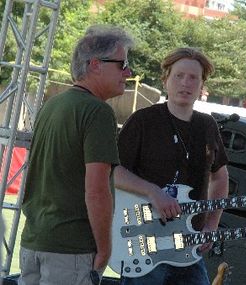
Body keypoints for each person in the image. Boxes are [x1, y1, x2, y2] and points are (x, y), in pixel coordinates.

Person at [18, 24, 172, 285]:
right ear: (95, 65)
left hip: (35, 240)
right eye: (122, 64)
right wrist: (104, 250)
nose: (128, 72)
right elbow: (97, 189)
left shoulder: (53, 105)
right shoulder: (97, 112)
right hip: (71, 251)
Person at [118, 47, 229, 285]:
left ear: (202, 86)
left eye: (193, 78)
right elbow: (113, 171)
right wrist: (152, 191)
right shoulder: (143, 121)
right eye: (178, 76)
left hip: (188, 245)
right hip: (145, 241)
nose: (185, 83)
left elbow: (219, 177)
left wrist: (211, 224)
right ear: (165, 79)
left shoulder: (207, 126)